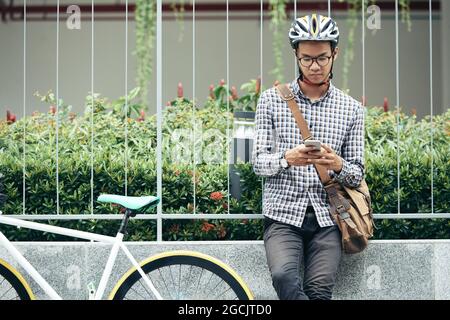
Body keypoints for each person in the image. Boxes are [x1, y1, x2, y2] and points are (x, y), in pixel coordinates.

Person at [252, 13, 365, 300]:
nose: (315, 66)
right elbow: (258, 163)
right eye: (306, 59)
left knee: (319, 290)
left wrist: (337, 164)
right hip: (282, 215)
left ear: (335, 54)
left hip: (329, 217)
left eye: (322, 58)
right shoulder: (271, 100)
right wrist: (287, 158)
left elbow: (357, 173)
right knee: (283, 277)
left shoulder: (351, 109)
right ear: (296, 55)